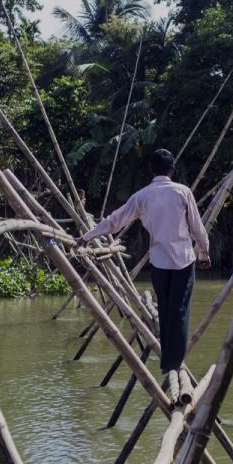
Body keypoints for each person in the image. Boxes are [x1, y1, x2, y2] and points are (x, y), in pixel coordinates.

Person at [78, 148, 210, 392]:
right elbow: (197, 228)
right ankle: (173, 361)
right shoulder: (183, 192)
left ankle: (167, 360)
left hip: (159, 261)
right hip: (183, 259)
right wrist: (204, 253)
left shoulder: (142, 196)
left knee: (167, 308)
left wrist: (88, 236)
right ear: (172, 170)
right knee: (179, 309)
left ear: (152, 170)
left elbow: (115, 220)